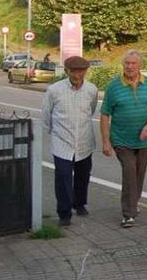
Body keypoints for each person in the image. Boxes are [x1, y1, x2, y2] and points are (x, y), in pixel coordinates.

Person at [100, 50, 147, 228]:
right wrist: (106, 141)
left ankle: (133, 204)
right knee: (129, 171)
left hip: (144, 141)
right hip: (121, 140)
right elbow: (105, 115)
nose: (130, 66)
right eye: (127, 63)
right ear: (123, 65)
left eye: (133, 63)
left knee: (138, 174)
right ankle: (128, 214)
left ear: (140, 66)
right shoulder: (114, 86)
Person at [40, 55, 98, 227]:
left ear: (86, 72)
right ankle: (64, 213)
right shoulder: (54, 90)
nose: (77, 75)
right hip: (62, 142)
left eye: (81, 71)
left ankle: (79, 204)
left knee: (83, 175)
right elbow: (46, 114)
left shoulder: (91, 90)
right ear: (66, 71)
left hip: (84, 141)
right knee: (63, 178)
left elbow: (92, 110)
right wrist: (55, 132)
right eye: (73, 71)